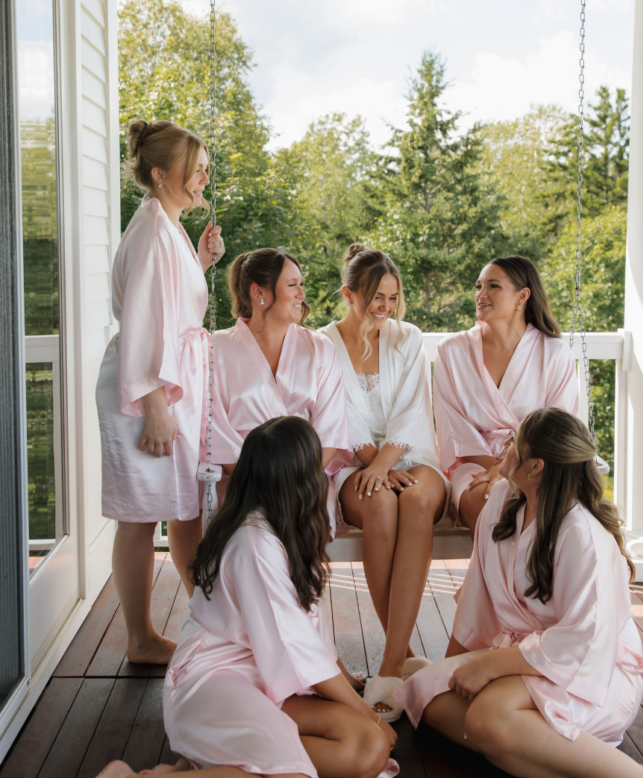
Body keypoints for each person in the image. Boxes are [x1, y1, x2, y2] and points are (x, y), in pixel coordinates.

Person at [95, 416, 398, 778]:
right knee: (296, 773)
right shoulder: (253, 543)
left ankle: (194, 766)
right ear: (297, 481)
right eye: (316, 468)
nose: (323, 477)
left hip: (264, 676)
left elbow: (307, 634)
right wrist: (367, 712)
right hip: (215, 678)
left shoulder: (287, 529)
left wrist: (356, 697)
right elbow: (296, 645)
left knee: (369, 747)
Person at [394, 408, 643, 778]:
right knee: (427, 697)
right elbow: (476, 604)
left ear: (536, 468)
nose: (505, 452)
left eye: (514, 445)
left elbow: (583, 643)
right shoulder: (499, 502)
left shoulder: (582, 536)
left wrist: (489, 665)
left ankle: (628, 774)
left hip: (593, 673)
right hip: (526, 663)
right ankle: (529, 747)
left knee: (487, 716)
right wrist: (445, 673)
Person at [96, 120, 225, 665]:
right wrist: (153, 406)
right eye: (194, 168)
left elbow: (170, 302)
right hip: (148, 390)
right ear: (158, 173)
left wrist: (199, 261)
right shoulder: (151, 230)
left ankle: (211, 625)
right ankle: (141, 639)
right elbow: (147, 323)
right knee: (142, 515)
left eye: (205, 169)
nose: (203, 178)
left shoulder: (165, 226)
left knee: (184, 508)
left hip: (168, 387)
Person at [321, 244, 450, 723]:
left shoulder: (408, 338)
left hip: (411, 456)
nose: (385, 308)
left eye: (392, 298)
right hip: (353, 460)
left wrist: (390, 461)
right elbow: (336, 413)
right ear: (349, 295)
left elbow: (414, 409)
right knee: (379, 505)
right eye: (376, 297)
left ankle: (392, 662)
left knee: (414, 499)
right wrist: (373, 465)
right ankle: (403, 654)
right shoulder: (324, 343)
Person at [208, 248, 353, 538]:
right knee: (253, 528)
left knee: (298, 520)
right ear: (258, 292)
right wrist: (259, 485)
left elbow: (330, 430)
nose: (301, 293)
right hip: (242, 483)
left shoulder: (319, 348)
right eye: (292, 285)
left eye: (301, 284)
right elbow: (215, 429)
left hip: (306, 481)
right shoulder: (216, 348)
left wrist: (295, 482)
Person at [434, 255, 578, 534]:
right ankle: (510, 579)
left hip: (538, 463)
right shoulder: (451, 351)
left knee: (534, 504)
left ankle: (513, 579)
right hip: (475, 462)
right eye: (478, 286)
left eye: (493, 286)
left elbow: (558, 427)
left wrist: (511, 467)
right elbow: (454, 427)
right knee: (486, 502)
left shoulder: (554, 353)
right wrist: (496, 468)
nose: (481, 294)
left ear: (522, 296)